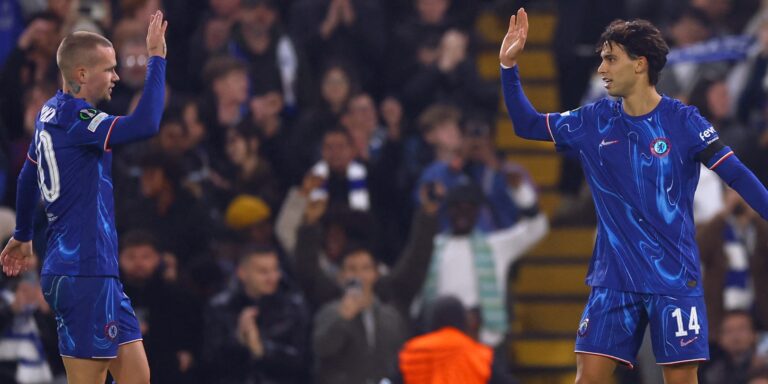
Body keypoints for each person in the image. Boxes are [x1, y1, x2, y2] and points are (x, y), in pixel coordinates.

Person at [500, 9, 768, 383]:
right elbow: (526, 124)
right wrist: (509, 67)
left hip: (673, 279)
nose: (601, 69)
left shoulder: (684, 121)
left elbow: (737, 174)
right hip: (613, 279)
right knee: (588, 379)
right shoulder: (592, 120)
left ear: (640, 64)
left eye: (611, 58)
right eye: (601, 59)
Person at [0, 11, 168, 384]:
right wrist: (156, 57)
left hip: (95, 271)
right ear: (81, 74)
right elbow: (147, 123)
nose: (116, 76)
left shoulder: (49, 112)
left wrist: (24, 233)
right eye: (109, 69)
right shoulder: (80, 121)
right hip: (83, 273)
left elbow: (29, 172)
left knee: (138, 378)